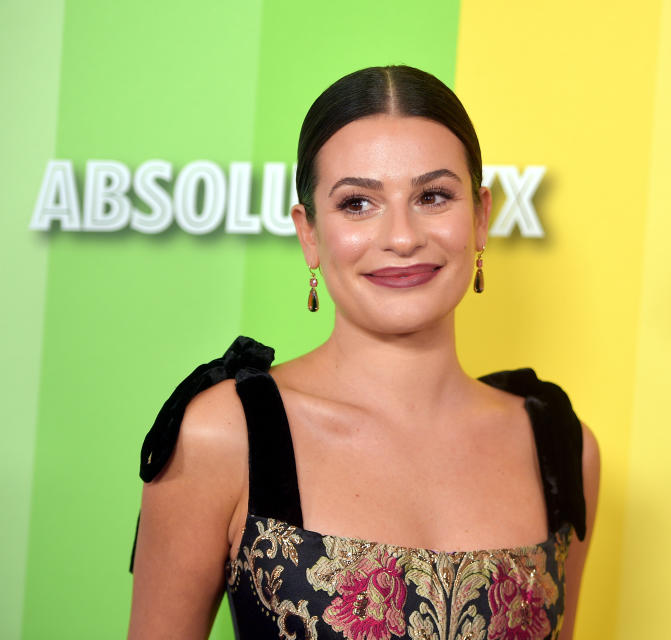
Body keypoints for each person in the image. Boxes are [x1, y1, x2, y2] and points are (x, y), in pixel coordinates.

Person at [128, 65, 600, 640]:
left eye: (432, 196)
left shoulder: (561, 448)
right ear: (309, 232)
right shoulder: (223, 435)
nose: (401, 237)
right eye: (357, 203)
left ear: (480, 216)